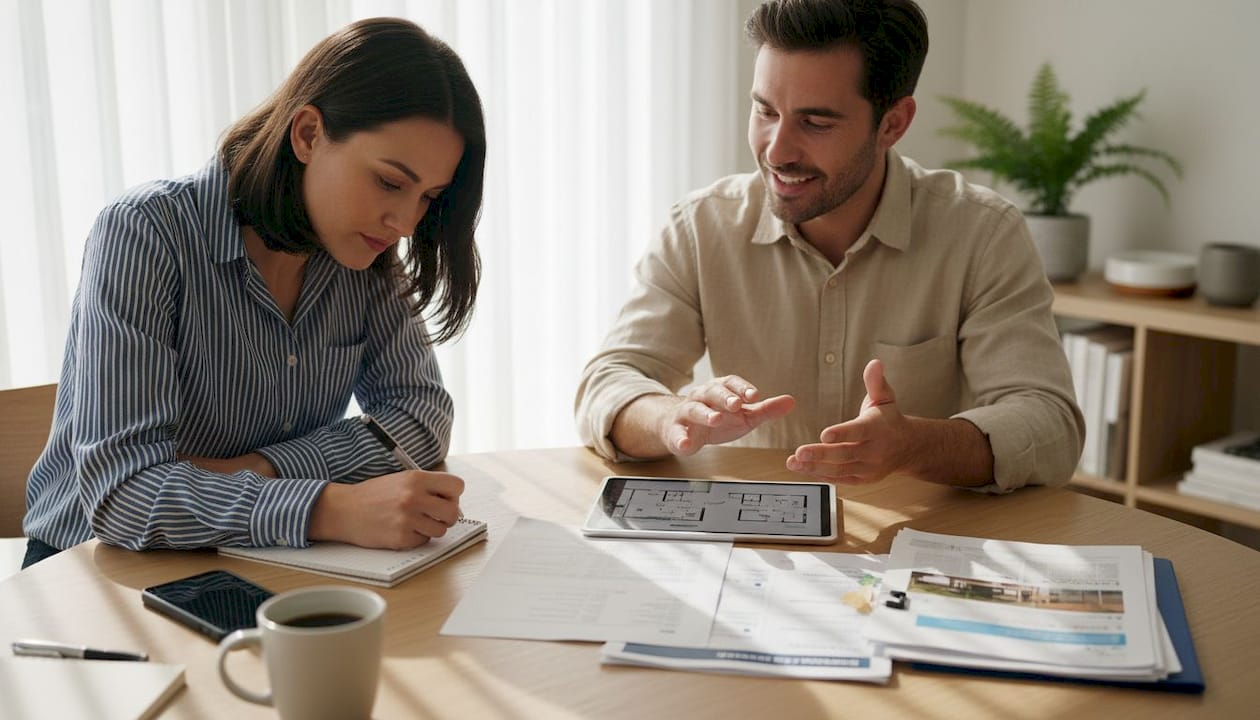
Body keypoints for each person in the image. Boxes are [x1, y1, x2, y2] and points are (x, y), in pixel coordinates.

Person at [22, 18, 486, 567]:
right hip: (96, 569)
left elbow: (421, 416)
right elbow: (124, 495)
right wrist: (328, 508)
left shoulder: (364, 252)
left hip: (263, 556)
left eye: (428, 196)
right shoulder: (144, 233)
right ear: (308, 135)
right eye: (390, 182)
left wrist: (263, 468)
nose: (406, 222)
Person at [575, 0, 1083, 492]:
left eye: (816, 123)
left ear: (894, 123)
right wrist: (672, 418)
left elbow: (1049, 422)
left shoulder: (981, 233)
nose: (776, 151)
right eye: (765, 111)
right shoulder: (701, 226)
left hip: (913, 546)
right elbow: (610, 382)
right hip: (755, 542)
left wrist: (914, 445)